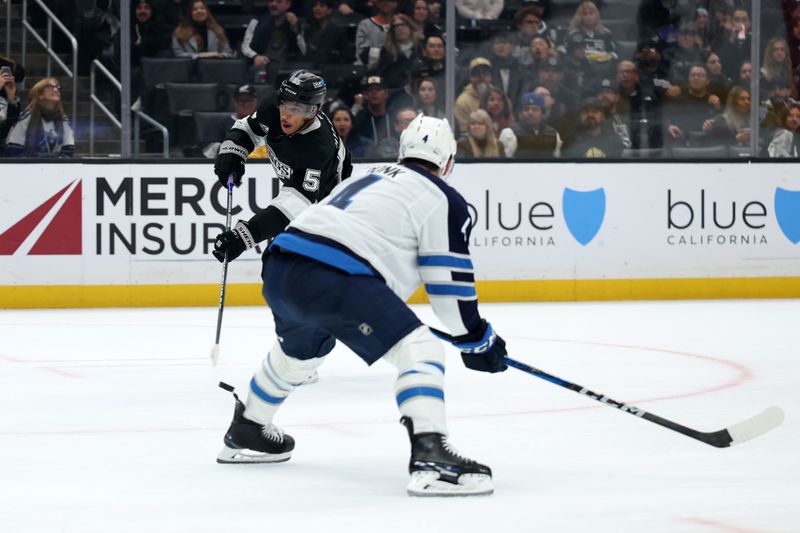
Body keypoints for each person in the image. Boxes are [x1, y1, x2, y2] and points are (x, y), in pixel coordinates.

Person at [215, 114, 508, 497]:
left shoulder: (367, 177)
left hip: (283, 262)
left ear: (402, 152)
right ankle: (432, 456)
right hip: (335, 275)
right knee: (421, 350)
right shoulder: (443, 197)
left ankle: (249, 426)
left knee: (301, 352)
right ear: (448, 163)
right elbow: (447, 287)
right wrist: (476, 340)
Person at [212, 70, 352, 267]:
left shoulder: (318, 148)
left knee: (283, 264)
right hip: (307, 201)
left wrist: (245, 236)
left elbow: (293, 204)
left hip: (329, 213)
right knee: (275, 263)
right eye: (284, 104)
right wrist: (232, 152)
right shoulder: (275, 107)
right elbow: (249, 129)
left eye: (297, 109)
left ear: (313, 111)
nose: (285, 115)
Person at [5, 78, 75, 158]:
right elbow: (14, 148)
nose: (56, 90)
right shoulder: (26, 117)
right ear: (40, 95)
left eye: (58, 88)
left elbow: (68, 150)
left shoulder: (63, 120)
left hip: (56, 168)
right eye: (50, 87)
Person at [664, 64, 720, 147]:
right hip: (681, 145)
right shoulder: (678, 100)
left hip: (707, 147)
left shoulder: (713, 102)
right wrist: (668, 126)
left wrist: (718, 110)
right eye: (693, 75)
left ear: (707, 80)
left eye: (700, 75)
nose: (696, 78)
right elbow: (665, 119)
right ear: (689, 78)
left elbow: (723, 123)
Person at [199, 85, 260, 158]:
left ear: (255, 101)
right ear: (234, 102)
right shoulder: (221, 124)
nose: (245, 104)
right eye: (242, 100)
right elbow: (209, 152)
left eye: (249, 100)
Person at [240, 0, 301, 74]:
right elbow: (245, 46)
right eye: (271, 1)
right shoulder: (257, 21)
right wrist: (255, 56)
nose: (273, 4)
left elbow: (304, 51)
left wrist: (295, 28)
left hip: (286, 69)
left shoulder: (294, 24)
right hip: (262, 68)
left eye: (279, 1)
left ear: (288, 4)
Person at [498, 91, 561, 158]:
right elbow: (504, 163)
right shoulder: (509, 133)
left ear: (543, 114)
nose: (530, 112)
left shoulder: (554, 134)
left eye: (535, 109)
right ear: (520, 113)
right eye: (526, 109)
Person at [297, 0, 354, 65]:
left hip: (332, 68)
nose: (317, 8)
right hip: (312, 68)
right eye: (315, 6)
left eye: (322, 6)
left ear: (329, 10)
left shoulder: (338, 31)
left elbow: (346, 55)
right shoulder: (308, 30)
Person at [702, 85, 751, 150]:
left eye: (748, 99)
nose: (747, 102)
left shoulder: (752, 121)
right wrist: (736, 139)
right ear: (733, 102)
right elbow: (713, 146)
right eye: (742, 99)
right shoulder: (721, 121)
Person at [455, 57, 495, 136]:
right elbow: (464, 132)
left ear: (490, 77)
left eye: (486, 74)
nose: (482, 77)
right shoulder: (463, 101)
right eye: (477, 74)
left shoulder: (498, 96)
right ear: (471, 77)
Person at [355, 0, 398, 68]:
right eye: (382, 1)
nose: (386, 3)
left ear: (396, 3)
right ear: (377, 3)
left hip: (395, 69)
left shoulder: (400, 25)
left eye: (390, 0)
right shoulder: (365, 24)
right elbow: (362, 53)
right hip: (367, 68)